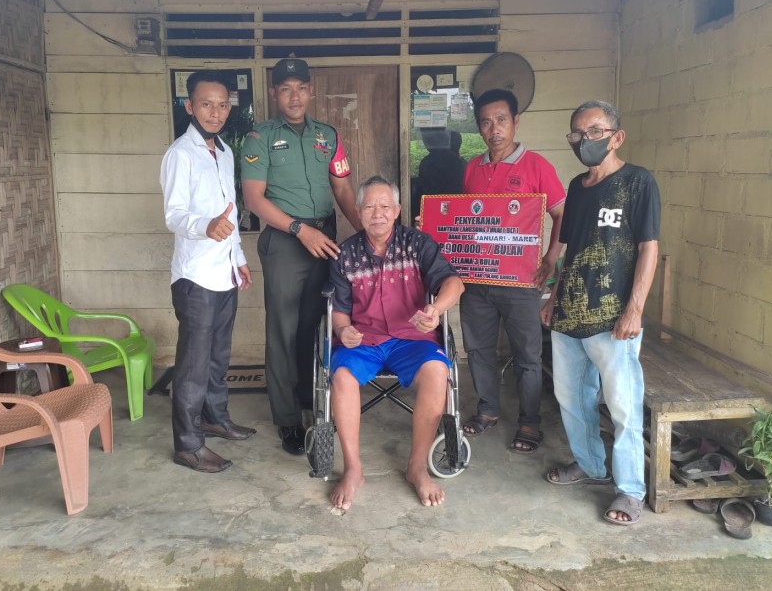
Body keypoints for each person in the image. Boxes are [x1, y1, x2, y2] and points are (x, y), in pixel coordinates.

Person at [541, 100, 660, 525]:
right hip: (570, 313)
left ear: (616, 137)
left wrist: (635, 309)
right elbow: (571, 249)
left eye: (594, 131)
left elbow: (648, 248)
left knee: (623, 406)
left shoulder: (638, 182)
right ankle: (591, 466)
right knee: (572, 398)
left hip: (613, 318)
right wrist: (553, 299)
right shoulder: (577, 187)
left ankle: (630, 490)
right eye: (577, 133)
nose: (584, 140)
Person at [241, 57, 363, 456]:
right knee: (283, 329)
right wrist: (298, 229)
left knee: (317, 324)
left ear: (310, 91)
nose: (294, 97)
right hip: (286, 242)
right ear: (274, 93)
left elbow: (343, 189)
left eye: (301, 88)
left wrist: (368, 232)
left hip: (325, 239)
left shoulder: (328, 135)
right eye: (285, 89)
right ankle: (288, 417)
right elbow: (254, 199)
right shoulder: (259, 138)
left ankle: (312, 399)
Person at [329, 176, 464, 511]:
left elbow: (454, 283)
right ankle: (353, 469)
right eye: (369, 207)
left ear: (397, 210)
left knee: (437, 372)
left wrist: (435, 309)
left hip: (413, 338)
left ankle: (417, 467)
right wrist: (343, 331)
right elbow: (339, 313)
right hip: (365, 340)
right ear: (358, 211)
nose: (378, 213)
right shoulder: (345, 254)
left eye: (385, 206)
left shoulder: (417, 243)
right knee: (341, 376)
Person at [459, 88, 565, 454]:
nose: (494, 130)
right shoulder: (472, 168)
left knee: (527, 356)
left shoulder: (537, 166)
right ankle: (487, 409)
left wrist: (551, 257)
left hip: (521, 281)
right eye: (486, 122)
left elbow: (562, 214)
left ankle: (529, 421)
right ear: (479, 127)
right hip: (477, 278)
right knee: (478, 348)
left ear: (515, 121)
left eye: (501, 120)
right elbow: (466, 221)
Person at [160, 70, 256, 474]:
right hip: (195, 276)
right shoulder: (180, 154)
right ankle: (188, 445)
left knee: (218, 356)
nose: (215, 113)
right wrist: (205, 226)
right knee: (193, 365)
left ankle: (215, 418)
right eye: (206, 104)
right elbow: (174, 214)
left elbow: (228, 215)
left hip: (224, 272)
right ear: (189, 106)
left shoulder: (226, 152)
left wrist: (239, 258)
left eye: (222, 105)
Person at [411, 129, 466, 221]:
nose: (425, 142)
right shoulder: (457, 161)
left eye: (428, 139)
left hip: (436, 207)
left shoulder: (429, 161)